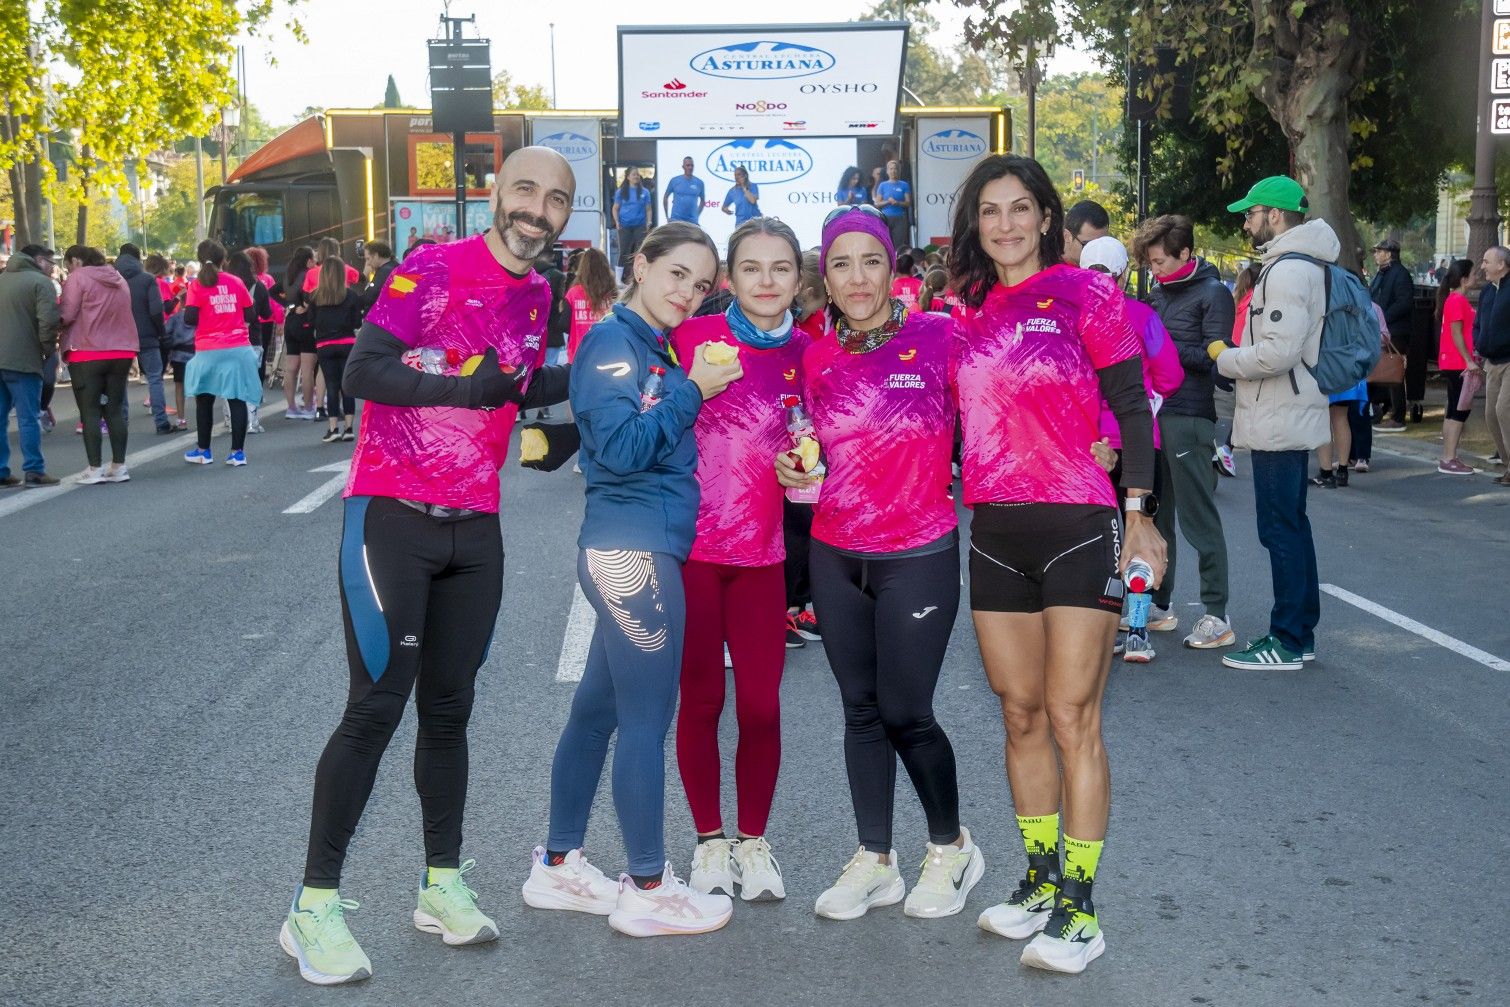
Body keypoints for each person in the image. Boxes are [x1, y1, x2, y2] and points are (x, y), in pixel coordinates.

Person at [281, 147, 578, 986]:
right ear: (496, 194)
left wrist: (583, 399)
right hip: (392, 514)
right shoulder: (431, 268)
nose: (537, 209)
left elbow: (513, 385)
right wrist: (468, 390)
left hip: (475, 527)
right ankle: (312, 908)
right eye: (525, 190)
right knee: (376, 706)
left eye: (555, 199)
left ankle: (440, 882)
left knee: (450, 712)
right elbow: (369, 370)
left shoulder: (540, 291)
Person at [945, 157, 1162, 975]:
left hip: (1078, 521)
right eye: (990, 211)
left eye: (1020, 209)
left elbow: (1134, 403)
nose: (1005, 224)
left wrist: (1138, 515)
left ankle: (1081, 904)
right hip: (995, 528)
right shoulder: (961, 311)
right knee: (1019, 712)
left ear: (1045, 217)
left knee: (1075, 717)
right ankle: (1039, 877)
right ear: (977, 223)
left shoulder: (1086, 294)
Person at [529, 222, 743, 938]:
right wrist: (694, 390)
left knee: (598, 712)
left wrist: (687, 382)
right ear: (641, 266)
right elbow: (618, 451)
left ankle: (558, 864)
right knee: (648, 721)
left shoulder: (652, 346)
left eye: (700, 283)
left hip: (641, 551)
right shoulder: (615, 343)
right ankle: (648, 885)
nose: (687, 292)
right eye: (677, 274)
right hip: (632, 554)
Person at [774, 205, 984, 926]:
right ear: (823, 277)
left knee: (906, 711)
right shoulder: (812, 354)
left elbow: (1006, 399)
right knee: (860, 711)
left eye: (870, 260)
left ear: (892, 266)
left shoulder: (942, 337)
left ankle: (951, 846)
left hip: (917, 552)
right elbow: (800, 447)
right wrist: (795, 471)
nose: (857, 277)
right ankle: (876, 857)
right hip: (836, 552)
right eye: (840, 263)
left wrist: (1107, 436)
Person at [671, 218, 809, 904]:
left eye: (780, 268)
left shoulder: (810, 354)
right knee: (701, 699)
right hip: (692, 553)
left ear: (798, 277)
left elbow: (821, 450)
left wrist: (805, 471)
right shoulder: (691, 339)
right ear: (729, 276)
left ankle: (754, 840)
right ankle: (709, 840)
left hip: (763, 556)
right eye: (751, 267)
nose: (765, 281)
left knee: (759, 706)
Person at [1212, 175, 1331, 670]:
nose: (1246, 221)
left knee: (1279, 529)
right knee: (1291, 525)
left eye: (1252, 212)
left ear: (1275, 215)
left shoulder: (1285, 271)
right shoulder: (1304, 265)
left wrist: (1226, 357)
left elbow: (1278, 353)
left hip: (1280, 412)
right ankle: (1299, 633)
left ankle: (1285, 639)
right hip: (1287, 409)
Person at [1079, 236, 1185, 664]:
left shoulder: (1069, 321)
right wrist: (1148, 401)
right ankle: (1137, 632)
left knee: (1089, 541)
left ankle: (1090, 633)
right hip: (1142, 444)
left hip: (1087, 446)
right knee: (1140, 534)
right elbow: (1172, 375)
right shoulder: (1142, 315)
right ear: (1124, 274)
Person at [1133, 214, 1236, 650]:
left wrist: (1162, 348)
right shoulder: (1160, 293)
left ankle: (1217, 613)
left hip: (1190, 414)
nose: (1154, 270)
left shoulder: (1213, 294)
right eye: (1150, 263)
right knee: (1158, 517)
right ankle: (1160, 604)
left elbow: (1217, 359)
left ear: (1185, 255)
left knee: (1198, 519)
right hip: (1156, 415)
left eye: (1159, 262)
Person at [59, 245, 136, 484]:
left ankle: (94, 468)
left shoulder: (78, 278)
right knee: (114, 409)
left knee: (90, 410)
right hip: (122, 350)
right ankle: (119, 466)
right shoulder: (119, 278)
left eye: (68, 264)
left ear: (76, 260)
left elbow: (67, 314)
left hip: (87, 351)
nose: (69, 270)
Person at [181, 241, 259, 467]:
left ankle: (203, 451)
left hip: (208, 350)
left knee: (204, 401)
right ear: (223, 259)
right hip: (237, 348)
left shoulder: (196, 285)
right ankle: (237, 453)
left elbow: (190, 318)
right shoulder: (236, 281)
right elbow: (252, 314)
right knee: (236, 399)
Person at [0, 244, 61, 487]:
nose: (53, 268)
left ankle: (2, 471)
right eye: (50, 262)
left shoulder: (2, 279)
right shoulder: (40, 283)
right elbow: (48, 322)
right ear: (38, 260)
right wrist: (47, 351)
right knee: (28, 417)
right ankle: (34, 469)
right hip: (24, 359)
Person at [114, 243, 171, 434]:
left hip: (119, 337)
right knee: (155, 378)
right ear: (139, 259)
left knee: (120, 381)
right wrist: (161, 332)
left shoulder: (112, 280)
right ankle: (161, 422)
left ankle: (121, 423)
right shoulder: (147, 280)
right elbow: (156, 311)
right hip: (146, 335)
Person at [308, 256, 361, 442]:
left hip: (324, 345)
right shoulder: (352, 296)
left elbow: (311, 321)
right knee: (347, 386)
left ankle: (333, 428)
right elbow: (357, 322)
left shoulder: (315, 296)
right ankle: (349, 428)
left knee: (332, 385)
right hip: (347, 343)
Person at [1433, 258, 1478, 475]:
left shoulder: (1452, 299)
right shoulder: (1457, 300)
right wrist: (1468, 360)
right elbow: (1457, 333)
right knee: (1459, 411)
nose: (1476, 277)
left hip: (1451, 361)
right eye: (1474, 274)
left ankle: (1448, 456)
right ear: (1464, 278)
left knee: (1452, 409)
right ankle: (1449, 457)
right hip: (1458, 362)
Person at [1369, 238, 1413, 431]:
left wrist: (1382, 318)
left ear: (1388, 253)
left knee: (1394, 371)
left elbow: (1404, 303)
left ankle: (1398, 417)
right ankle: (1386, 409)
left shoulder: (1400, 274)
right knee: (1383, 371)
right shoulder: (1382, 273)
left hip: (1395, 331)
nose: (1375, 255)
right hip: (1383, 329)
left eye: (1378, 251)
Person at [1475, 245, 1510, 484]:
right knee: (1490, 414)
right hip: (1491, 362)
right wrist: (1478, 342)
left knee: (1503, 409)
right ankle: (1508, 465)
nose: (1482, 266)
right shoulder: (1488, 291)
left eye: (1487, 261)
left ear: (1502, 264)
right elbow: (1478, 323)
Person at [226, 250, 272, 430]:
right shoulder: (258, 286)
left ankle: (231, 421)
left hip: (229, 340)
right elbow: (266, 313)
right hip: (252, 339)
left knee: (231, 383)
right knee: (251, 380)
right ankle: (251, 422)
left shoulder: (227, 286)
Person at [278, 246, 318, 419]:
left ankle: (291, 407)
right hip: (305, 323)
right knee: (307, 369)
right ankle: (309, 407)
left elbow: (273, 291)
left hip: (291, 322)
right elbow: (309, 296)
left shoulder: (289, 275)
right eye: (314, 259)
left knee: (291, 368)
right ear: (308, 260)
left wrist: (290, 305)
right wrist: (305, 305)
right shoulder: (308, 275)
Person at [564, 247, 616, 362]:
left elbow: (563, 325)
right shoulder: (612, 293)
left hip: (578, 356)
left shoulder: (573, 292)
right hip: (606, 355)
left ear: (583, 268)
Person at [247, 246, 282, 387]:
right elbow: (275, 303)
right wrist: (280, 322)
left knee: (247, 354)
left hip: (248, 321)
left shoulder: (242, 280)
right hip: (266, 321)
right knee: (262, 354)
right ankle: (259, 389)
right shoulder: (268, 279)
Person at [613, 167, 653, 282]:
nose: (636, 176)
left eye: (637, 175)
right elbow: (615, 208)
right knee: (624, 252)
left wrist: (649, 222)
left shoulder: (645, 192)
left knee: (640, 252)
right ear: (628, 177)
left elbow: (648, 209)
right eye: (633, 174)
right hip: (624, 226)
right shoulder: (621, 192)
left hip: (640, 225)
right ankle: (618, 280)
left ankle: (638, 277)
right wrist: (616, 221)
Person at [874, 160, 912, 251]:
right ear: (887, 171)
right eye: (891, 169)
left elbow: (908, 203)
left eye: (895, 169)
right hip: (886, 218)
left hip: (900, 218)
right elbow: (877, 204)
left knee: (899, 244)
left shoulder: (904, 185)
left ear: (898, 171)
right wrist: (888, 202)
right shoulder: (883, 185)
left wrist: (898, 203)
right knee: (884, 242)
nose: (893, 171)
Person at [1064, 200, 1110, 267]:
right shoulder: (1048, 270)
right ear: (1067, 236)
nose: (1097, 253)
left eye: (1102, 245)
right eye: (1088, 245)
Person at [663, 156, 706, 225]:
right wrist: (667, 217)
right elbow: (665, 197)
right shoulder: (674, 180)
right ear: (683, 167)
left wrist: (697, 215)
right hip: (676, 220)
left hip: (692, 222)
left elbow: (703, 200)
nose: (690, 167)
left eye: (692, 165)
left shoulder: (699, 183)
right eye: (688, 165)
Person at [359, 241, 397, 317]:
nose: (368, 263)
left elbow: (369, 297)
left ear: (376, 255)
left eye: (368, 259)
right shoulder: (395, 267)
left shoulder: (384, 272)